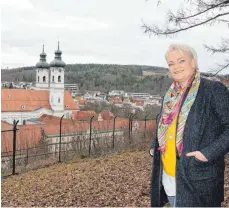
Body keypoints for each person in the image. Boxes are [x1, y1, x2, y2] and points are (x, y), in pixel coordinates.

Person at [150, 44, 229, 207]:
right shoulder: (170, 95)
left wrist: (207, 153)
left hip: (199, 181)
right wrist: (155, 146)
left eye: (181, 60)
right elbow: (165, 126)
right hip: (169, 178)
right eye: (171, 64)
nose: (176, 67)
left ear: (193, 62)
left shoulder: (213, 90)